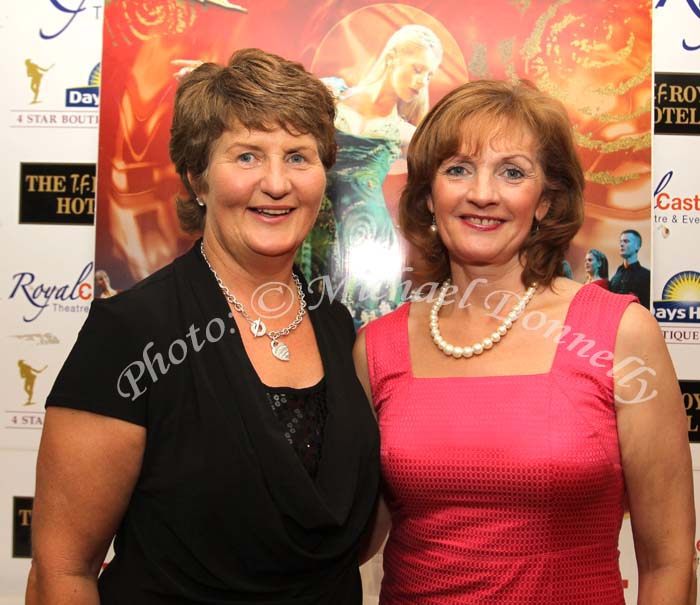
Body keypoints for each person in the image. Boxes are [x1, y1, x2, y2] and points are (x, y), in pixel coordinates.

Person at [27, 48, 380, 604]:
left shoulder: (336, 325)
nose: (276, 182)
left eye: (298, 157)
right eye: (246, 156)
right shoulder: (131, 332)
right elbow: (62, 570)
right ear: (196, 177)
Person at [354, 80, 695, 603]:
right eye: (457, 169)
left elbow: (668, 560)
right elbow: (355, 538)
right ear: (427, 196)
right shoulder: (377, 347)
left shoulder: (620, 333)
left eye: (512, 172)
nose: (482, 193)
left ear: (545, 202)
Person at [302, 25, 443, 320]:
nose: (422, 81)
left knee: (362, 336)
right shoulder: (330, 98)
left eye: (429, 75)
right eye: (417, 68)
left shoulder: (408, 135)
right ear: (392, 56)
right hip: (314, 231)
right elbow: (270, 106)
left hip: (369, 239)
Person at [609, 228, 651, 308]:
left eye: (626, 241)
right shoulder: (616, 276)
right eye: (620, 241)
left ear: (637, 246)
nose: (621, 244)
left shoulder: (647, 276)